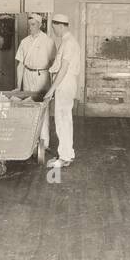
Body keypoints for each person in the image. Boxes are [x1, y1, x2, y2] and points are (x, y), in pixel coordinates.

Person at [43, 13, 81, 169]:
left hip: (64, 84)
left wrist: (51, 90)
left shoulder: (69, 43)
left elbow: (64, 69)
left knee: (62, 121)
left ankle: (64, 157)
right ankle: (67, 154)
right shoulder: (66, 42)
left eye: (54, 28)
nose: (54, 31)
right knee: (64, 120)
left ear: (60, 25)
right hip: (64, 83)